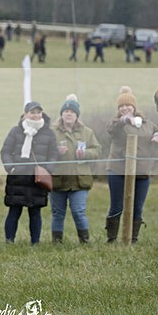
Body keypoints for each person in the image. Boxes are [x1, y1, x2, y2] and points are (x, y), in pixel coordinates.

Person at [105, 86, 158, 243]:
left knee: (137, 207)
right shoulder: (117, 123)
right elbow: (112, 129)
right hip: (118, 171)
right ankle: (112, 239)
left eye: (128, 105)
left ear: (134, 107)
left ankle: (133, 239)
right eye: (121, 106)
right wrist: (126, 119)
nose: (124, 108)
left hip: (142, 172)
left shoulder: (147, 123)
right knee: (117, 206)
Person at [0, 101, 58, 245]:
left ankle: (35, 243)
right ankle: (9, 241)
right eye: (32, 112)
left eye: (38, 112)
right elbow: (5, 151)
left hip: (37, 179)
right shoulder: (15, 131)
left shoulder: (49, 133)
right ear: (26, 114)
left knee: (35, 212)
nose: (35, 115)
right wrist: (10, 168)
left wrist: (47, 169)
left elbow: (53, 154)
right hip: (17, 178)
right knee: (14, 211)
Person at [51, 95, 102, 243]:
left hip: (80, 180)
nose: (69, 114)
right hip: (58, 180)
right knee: (57, 213)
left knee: (78, 211)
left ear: (77, 115)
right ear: (61, 114)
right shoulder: (52, 132)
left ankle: (84, 241)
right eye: (66, 111)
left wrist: (85, 153)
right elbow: (44, 152)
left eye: (72, 112)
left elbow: (98, 151)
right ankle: (56, 241)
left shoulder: (87, 132)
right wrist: (56, 152)